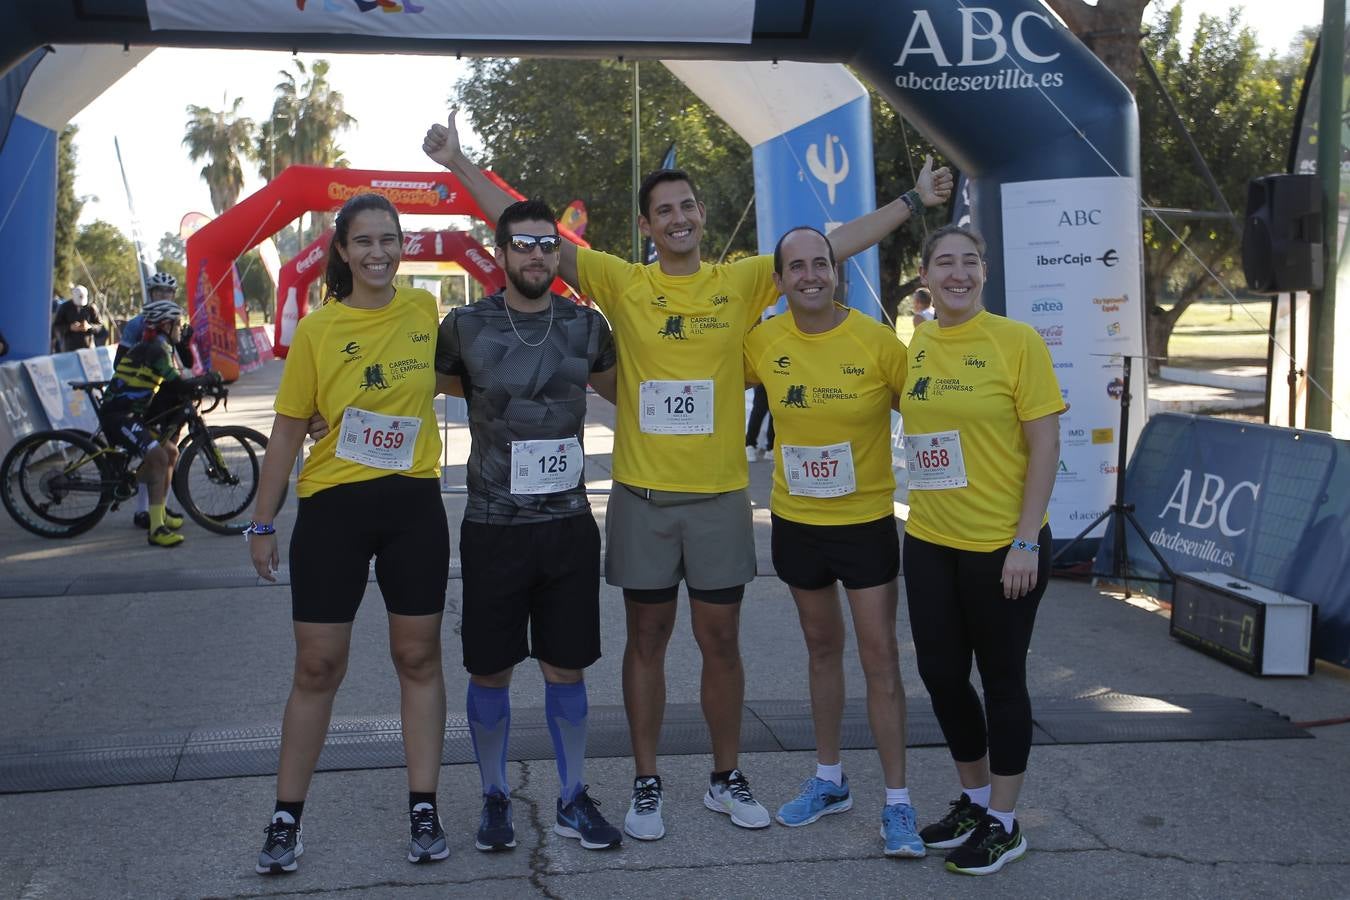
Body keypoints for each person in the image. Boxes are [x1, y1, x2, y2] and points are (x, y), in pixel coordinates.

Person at [423, 110, 953, 841]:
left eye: (686, 207)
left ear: (702, 217)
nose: (677, 218)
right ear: (646, 227)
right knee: (646, 643)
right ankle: (646, 783)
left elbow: (827, 247)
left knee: (721, 643)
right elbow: (526, 232)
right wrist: (460, 162)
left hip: (717, 501)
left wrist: (911, 203)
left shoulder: (739, 282)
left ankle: (723, 776)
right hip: (642, 498)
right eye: (663, 211)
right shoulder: (621, 281)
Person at [246, 193, 451, 875]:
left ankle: (424, 806)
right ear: (342, 250)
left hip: (413, 507)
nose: (378, 253)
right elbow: (285, 427)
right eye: (364, 242)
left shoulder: (426, 312)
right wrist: (262, 519)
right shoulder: (319, 330)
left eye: (388, 240)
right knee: (317, 666)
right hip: (333, 507)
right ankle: (285, 817)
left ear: (403, 245)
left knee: (418, 657)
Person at [436, 197, 623, 853]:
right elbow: (426, 391)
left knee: (565, 669)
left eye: (547, 244)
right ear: (501, 251)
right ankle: (493, 797)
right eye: (524, 244)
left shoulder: (585, 325)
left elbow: (622, 391)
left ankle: (573, 798)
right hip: (493, 526)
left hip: (569, 526)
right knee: (490, 671)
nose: (537, 254)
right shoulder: (464, 327)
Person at [743, 227, 923, 858]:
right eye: (797, 267)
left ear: (837, 272)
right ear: (781, 279)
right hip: (796, 524)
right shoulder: (763, 341)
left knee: (880, 658)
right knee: (822, 649)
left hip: (866, 524)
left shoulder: (876, 342)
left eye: (821, 263)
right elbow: (702, 379)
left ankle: (898, 802)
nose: (811, 275)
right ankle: (829, 779)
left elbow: (930, 415)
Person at [898, 225, 1063, 876]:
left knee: (1002, 683)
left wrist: (1027, 540)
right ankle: (972, 798)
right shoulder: (916, 343)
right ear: (925, 275)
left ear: (985, 273)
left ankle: (1004, 820)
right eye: (945, 262)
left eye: (969, 261)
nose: (958, 272)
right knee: (940, 675)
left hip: (1003, 544)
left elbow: (1045, 445)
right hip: (931, 540)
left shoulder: (1016, 342)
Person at [97, 299, 216, 548]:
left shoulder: (162, 345)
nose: (180, 327)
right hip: (119, 416)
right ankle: (156, 530)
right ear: (166, 324)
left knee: (170, 451)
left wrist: (200, 381)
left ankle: (158, 513)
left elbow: (180, 377)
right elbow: (176, 382)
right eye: (178, 323)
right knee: (159, 458)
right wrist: (207, 379)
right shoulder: (155, 349)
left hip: (132, 415)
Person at [118, 272, 194, 529]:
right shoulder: (138, 325)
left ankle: (159, 506)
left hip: (172, 394)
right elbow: (121, 363)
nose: (163, 295)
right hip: (150, 397)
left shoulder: (175, 321)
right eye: (159, 291)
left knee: (170, 452)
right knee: (153, 454)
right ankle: (142, 511)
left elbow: (187, 362)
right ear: (150, 294)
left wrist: (185, 341)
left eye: (168, 292)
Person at [53, 284, 100, 352]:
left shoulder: (91, 307)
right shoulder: (64, 307)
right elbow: (56, 327)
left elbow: (100, 326)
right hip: (69, 349)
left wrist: (89, 327)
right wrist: (70, 327)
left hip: (88, 349)